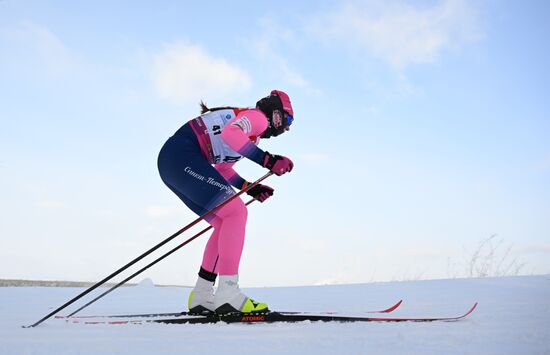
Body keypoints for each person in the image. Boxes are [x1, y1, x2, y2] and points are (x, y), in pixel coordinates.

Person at [157, 90, 294, 314]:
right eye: (285, 120)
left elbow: (223, 169)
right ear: (274, 112)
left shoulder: (251, 134)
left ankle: (201, 295)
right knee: (236, 213)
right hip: (182, 157)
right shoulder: (257, 118)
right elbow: (231, 134)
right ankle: (228, 293)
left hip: (175, 162)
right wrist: (268, 160)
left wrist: (250, 187)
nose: (284, 128)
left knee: (224, 222)